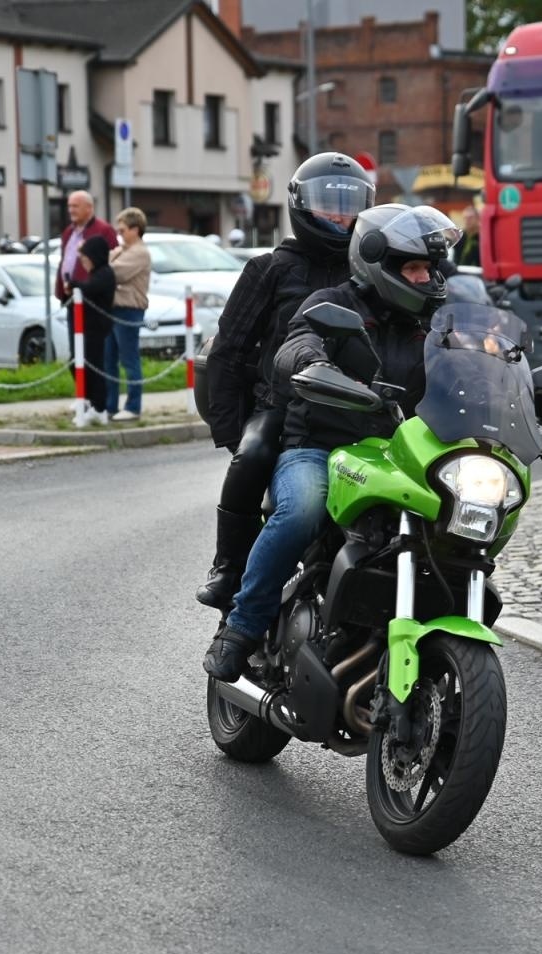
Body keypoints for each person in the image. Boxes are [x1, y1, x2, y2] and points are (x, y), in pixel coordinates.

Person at [203, 203, 459, 680]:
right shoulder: (333, 304)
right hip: (321, 447)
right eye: (413, 268)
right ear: (379, 265)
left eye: (429, 268)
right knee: (301, 508)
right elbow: (299, 341)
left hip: (402, 456)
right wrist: (309, 362)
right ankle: (240, 627)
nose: (425, 279)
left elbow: (477, 370)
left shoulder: (439, 325)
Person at [196, 151, 374, 611]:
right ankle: (229, 566)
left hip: (361, 410)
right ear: (300, 205)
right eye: (327, 203)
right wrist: (233, 432)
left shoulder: (370, 270)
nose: (340, 214)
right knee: (253, 453)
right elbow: (228, 353)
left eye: (350, 202)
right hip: (280, 405)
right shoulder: (270, 269)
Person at [107, 207, 153, 421]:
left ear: (136, 229)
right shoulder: (122, 249)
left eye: (123, 229)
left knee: (129, 359)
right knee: (109, 359)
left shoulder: (139, 252)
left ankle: (133, 406)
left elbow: (114, 273)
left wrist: (103, 266)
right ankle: (110, 405)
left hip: (129, 310)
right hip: (113, 308)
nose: (120, 233)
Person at [72, 234, 116, 427]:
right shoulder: (97, 273)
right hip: (89, 327)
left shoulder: (104, 274)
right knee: (79, 364)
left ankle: (99, 408)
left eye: (86, 259)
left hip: (97, 328)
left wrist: (74, 285)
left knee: (94, 368)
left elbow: (90, 288)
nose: (84, 263)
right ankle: (90, 401)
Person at [54, 191, 117, 302]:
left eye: (75, 206)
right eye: (69, 206)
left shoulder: (103, 230)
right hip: (69, 294)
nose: (71, 210)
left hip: (91, 297)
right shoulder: (68, 231)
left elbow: (112, 262)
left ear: (89, 208)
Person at [453, 203, 481, 267]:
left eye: (470, 218)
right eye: (465, 218)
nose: (467, 221)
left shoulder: (484, 236)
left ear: (478, 218)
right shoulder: (460, 236)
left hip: (478, 272)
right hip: (459, 271)